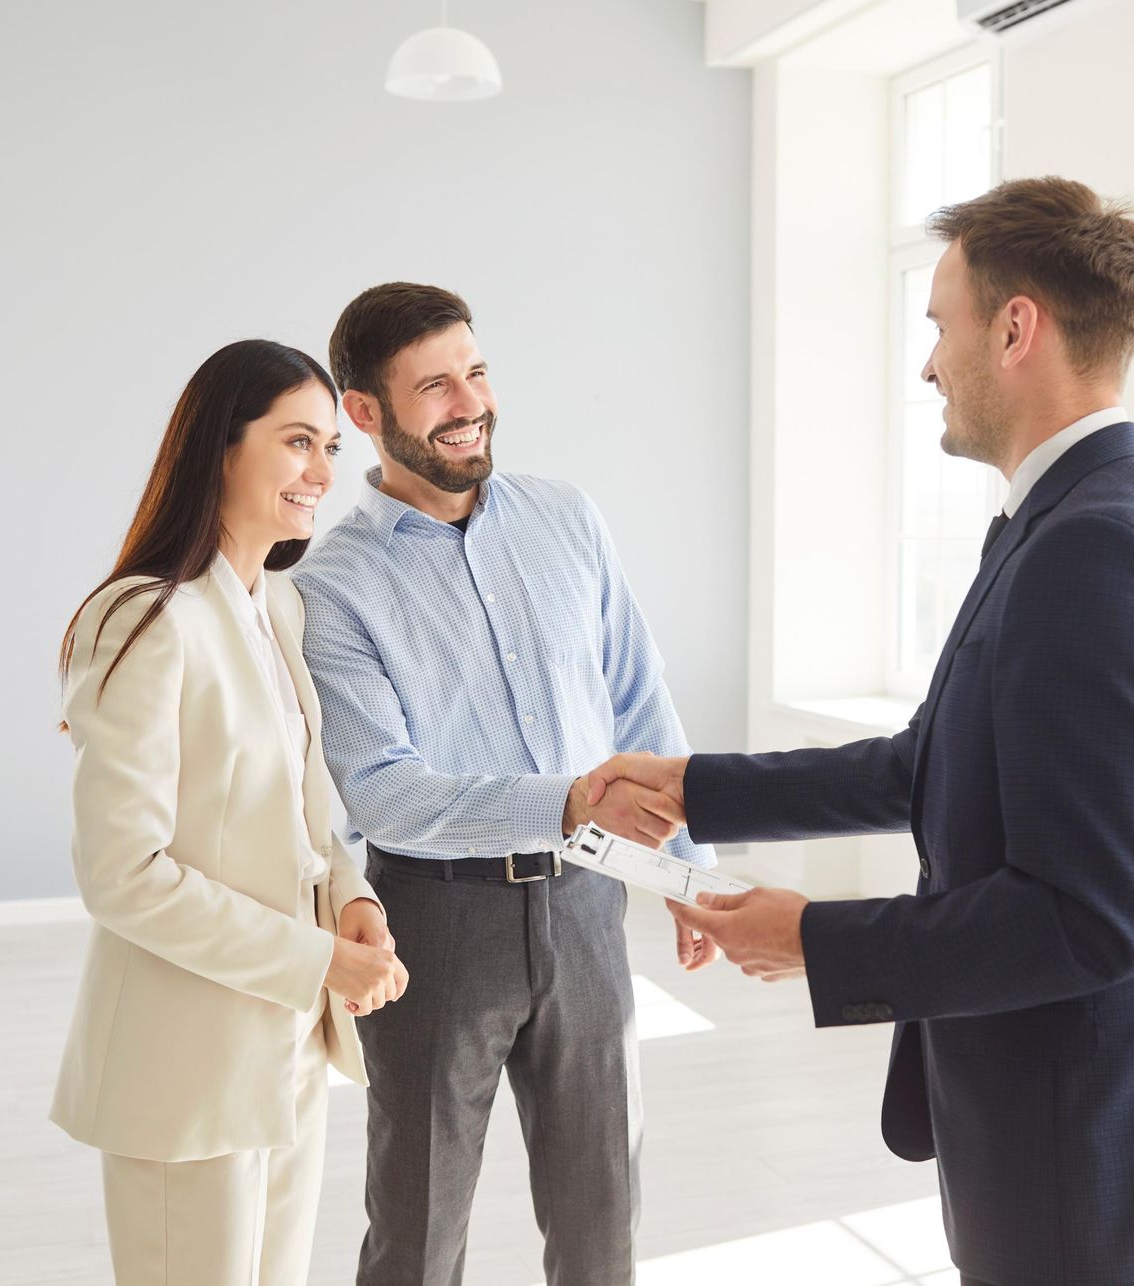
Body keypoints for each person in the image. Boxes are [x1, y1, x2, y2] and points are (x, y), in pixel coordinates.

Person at [588, 177, 1134, 1285]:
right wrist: (694, 788)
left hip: (1082, 1130)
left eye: (937, 326)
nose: (927, 366)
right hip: (1065, 1111)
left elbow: (1090, 918)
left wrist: (815, 937)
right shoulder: (1066, 521)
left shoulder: (1098, 552)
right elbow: (931, 761)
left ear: (1016, 328)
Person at [292, 282, 709, 1286]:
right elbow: (386, 790)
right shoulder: (329, 585)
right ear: (364, 411)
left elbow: (637, 701)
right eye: (433, 384)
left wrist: (688, 872)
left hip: (588, 908)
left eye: (474, 370)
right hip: (435, 923)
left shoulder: (568, 519)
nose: (468, 399)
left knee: (603, 1215)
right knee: (417, 1228)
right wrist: (566, 799)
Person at [51, 339, 409, 1286]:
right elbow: (122, 875)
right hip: (186, 1064)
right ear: (221, 446)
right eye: (298, 442)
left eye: (331, 447)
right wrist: (319, 959)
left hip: (285, 1043)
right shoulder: (143, 618)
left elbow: (305, 819)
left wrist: (354, 903)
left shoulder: (276, 607)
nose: (321, 473)